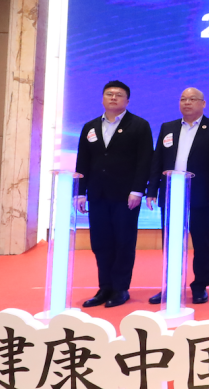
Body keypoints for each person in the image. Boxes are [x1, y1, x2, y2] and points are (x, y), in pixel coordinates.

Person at [74, 80, 153, 308]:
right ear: (102, 98)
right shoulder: (90, 127)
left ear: (127, 100)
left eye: (119, 95)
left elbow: (145, 160)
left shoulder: (139, 125)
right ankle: (104, 287)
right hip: (97, 194)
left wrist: (138, 190)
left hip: (126, 195)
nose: (113, 97)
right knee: (100, 242)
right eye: (109, 94)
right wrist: (80, 192)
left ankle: (120, 289)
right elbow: (83, 160)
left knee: (123, 242)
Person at [145, 87, 209, 306]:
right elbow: (157, 160)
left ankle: (200, 286)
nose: (187, 103)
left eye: (192, 99)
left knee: (201, 242)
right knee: (171, 243)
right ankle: (170, 286)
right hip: (171, 193)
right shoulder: (168, 127)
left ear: (203, 103)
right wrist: (152, 190)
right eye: (183, 99)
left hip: (201, 195)